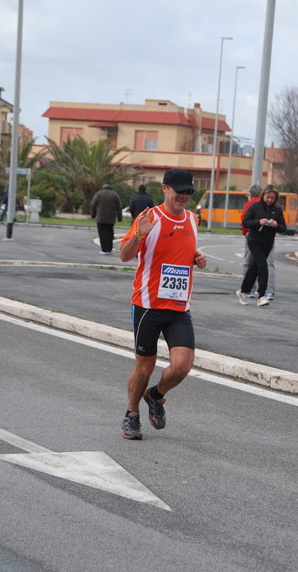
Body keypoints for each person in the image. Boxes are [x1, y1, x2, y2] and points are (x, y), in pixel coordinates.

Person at [119, 168, 206, 440]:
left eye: (188, 191)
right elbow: (124, 255)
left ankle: (155, 395)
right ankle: (132, 414)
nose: (183, 196)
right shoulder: (150, 218)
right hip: (148, 305)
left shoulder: (192, 220)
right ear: (165, 189)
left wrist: (196, 258)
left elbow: (180, 252)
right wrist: (139, 235)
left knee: (182, 366)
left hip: (179, 308)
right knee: (144, 366)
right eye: (179, 190)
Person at [236, 184, 286, 307]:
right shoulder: (255, 206)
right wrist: (259, 222)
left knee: (254, 267)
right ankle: (262, 296)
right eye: (268, 197)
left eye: (272, 198)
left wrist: (276, 225)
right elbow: (245, 222)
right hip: (254, 240)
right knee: (263, 266)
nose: (270, 200)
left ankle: (243, 291)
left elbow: (284, 228)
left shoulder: (278, 210)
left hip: (268, 242)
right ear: (263, 195)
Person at [240, 184, 276, 301]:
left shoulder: (250, 204)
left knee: (249, 263)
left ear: (250, 194)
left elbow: (244, 221)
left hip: (253, 238)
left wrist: (246, 233)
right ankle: (269, 291)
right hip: (268, 240)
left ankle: (249, 290)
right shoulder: (272, 207)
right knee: (267, 264)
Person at [91, 182, 122, 254]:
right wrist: (119, 218)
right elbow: (119, 207)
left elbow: (93, 205)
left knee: (102, 234)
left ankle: (104, 249)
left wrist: (93, 215)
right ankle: (109, 249)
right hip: (111, 218)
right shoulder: (115, 194)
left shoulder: (99, 194)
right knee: (110, 233)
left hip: (100, 218)